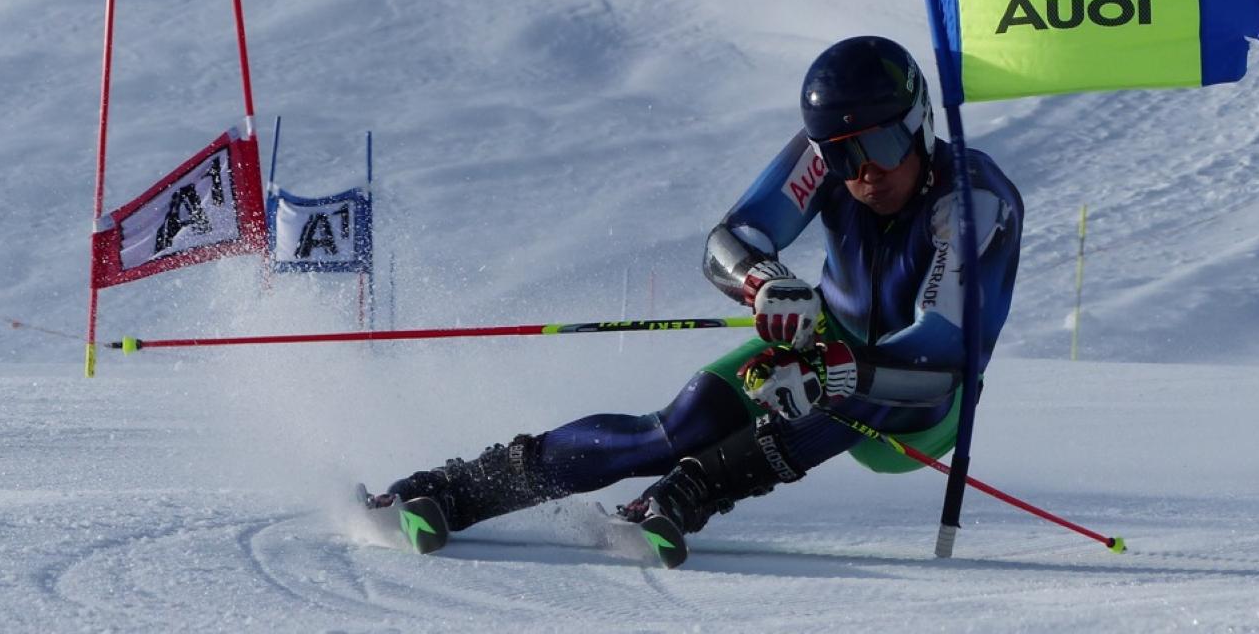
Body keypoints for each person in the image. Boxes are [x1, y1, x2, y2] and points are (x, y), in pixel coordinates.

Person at [367, 35, 1023, 557]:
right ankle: (453, 491)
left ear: (920, 123)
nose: (865, 171)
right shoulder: (826, 156)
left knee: (853, 395)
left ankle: (687, 496)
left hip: (925, 395)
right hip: (829, 346)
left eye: (881, 144)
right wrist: (766, 283)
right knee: (677, 428)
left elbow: (944, 351)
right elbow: (733, 239)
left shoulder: (972, 202)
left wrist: (838, 371)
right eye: (844, 158)